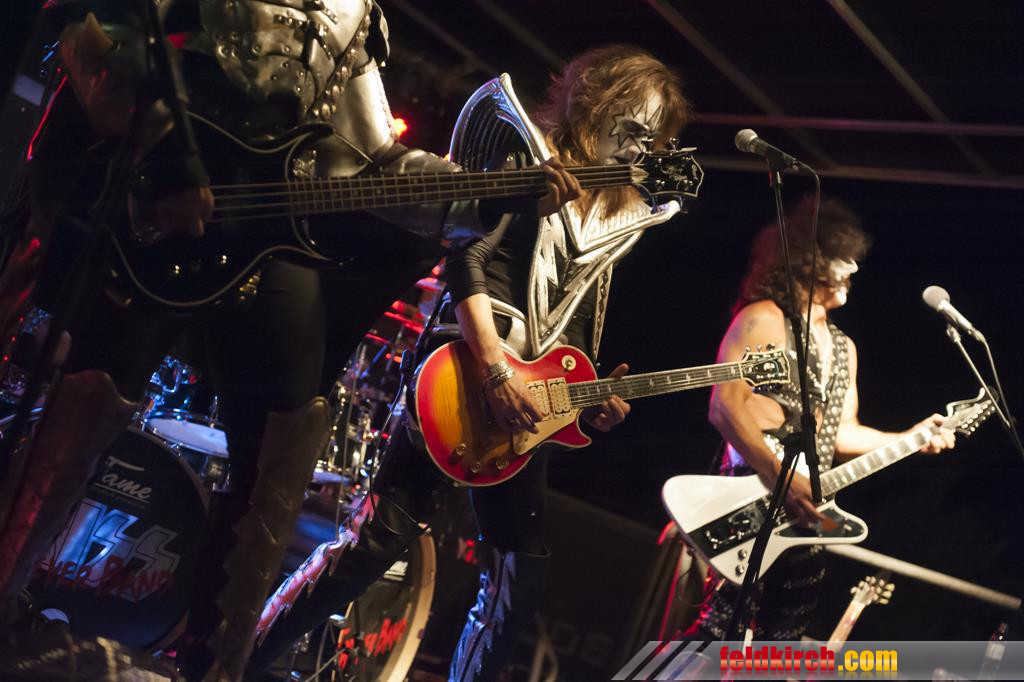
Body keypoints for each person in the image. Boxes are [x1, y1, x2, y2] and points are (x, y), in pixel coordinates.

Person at [0, 2, 576, 679]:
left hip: (263, 235)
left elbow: (374, 163)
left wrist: (487, 196)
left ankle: (219, 664)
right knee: (88, 399)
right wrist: (166, 165)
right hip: (146, 206)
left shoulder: (353, 11)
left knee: (290, 431)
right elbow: (92, 35)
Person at [247, 44, 692, 680]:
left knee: (520, 574)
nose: (640, 146)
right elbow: (466, 253)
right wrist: (494, 368)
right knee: (379, 539)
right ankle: (236, 659)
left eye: (652, 137)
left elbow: (578, 311)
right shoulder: (526, 154)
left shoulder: (625, 211)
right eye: (633, 124)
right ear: (596, 102)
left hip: (529, 401)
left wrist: (589, 395)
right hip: (465, 367)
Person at [685, 197, 956, 641]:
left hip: (805, 515)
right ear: (808, 260)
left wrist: (909, 437)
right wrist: (778, 476)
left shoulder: (845, 347)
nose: (853, 268)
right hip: (749, 502)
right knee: (717, 635)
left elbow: (841, 433)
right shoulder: (763, 319)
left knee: (781, 641)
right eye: (841, 257)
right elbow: (724, 406)